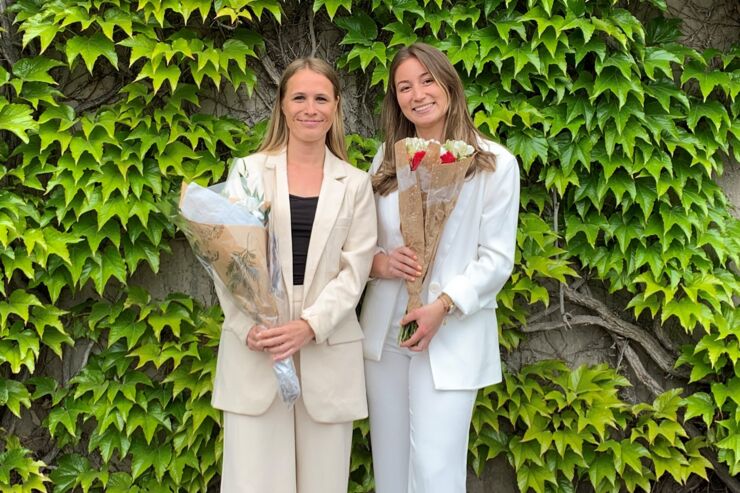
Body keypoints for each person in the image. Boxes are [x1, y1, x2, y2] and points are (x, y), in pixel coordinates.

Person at [359, 43, 520, 493]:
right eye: (404, 87)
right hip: (387, 337)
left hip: (450, 335)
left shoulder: (495, 164)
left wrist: (444, 305)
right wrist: (383, 263)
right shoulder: (386, 160)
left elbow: (496, 258)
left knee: (435, 470)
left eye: (427, 81)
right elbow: (361, 245)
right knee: (390, 469)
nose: (417, 94)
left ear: (449, 84)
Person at [211, 58, 377, 492]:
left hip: (327, 345)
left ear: (336, 106)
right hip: (258, 346)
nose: (310, 108)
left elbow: (355, 271)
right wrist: (247, 325)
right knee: (254, 482)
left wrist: (308, 326)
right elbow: (225, 259)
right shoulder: (247, 171)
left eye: (321, 98)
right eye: (299, 97)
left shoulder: (356, 184)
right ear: (282, 106)